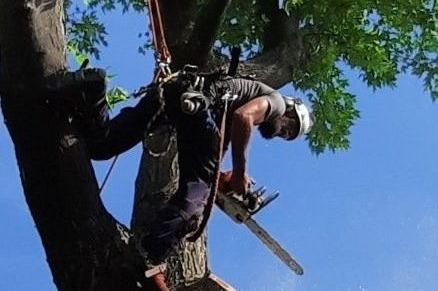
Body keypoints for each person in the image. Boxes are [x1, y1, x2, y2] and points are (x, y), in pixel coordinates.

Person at [50, 67, 311, 286]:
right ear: (290, 110)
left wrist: (224, 178)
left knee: (102, 145)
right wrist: (240, 174)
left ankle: (91, 92)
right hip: (197, 106)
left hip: (177, 92)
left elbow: (212, 150)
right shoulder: (275, 102)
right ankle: (147, 256)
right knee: (194, 202)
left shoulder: (234, 101)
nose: (283, 132)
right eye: (290, 127)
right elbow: (244, 118)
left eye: (288, 135)